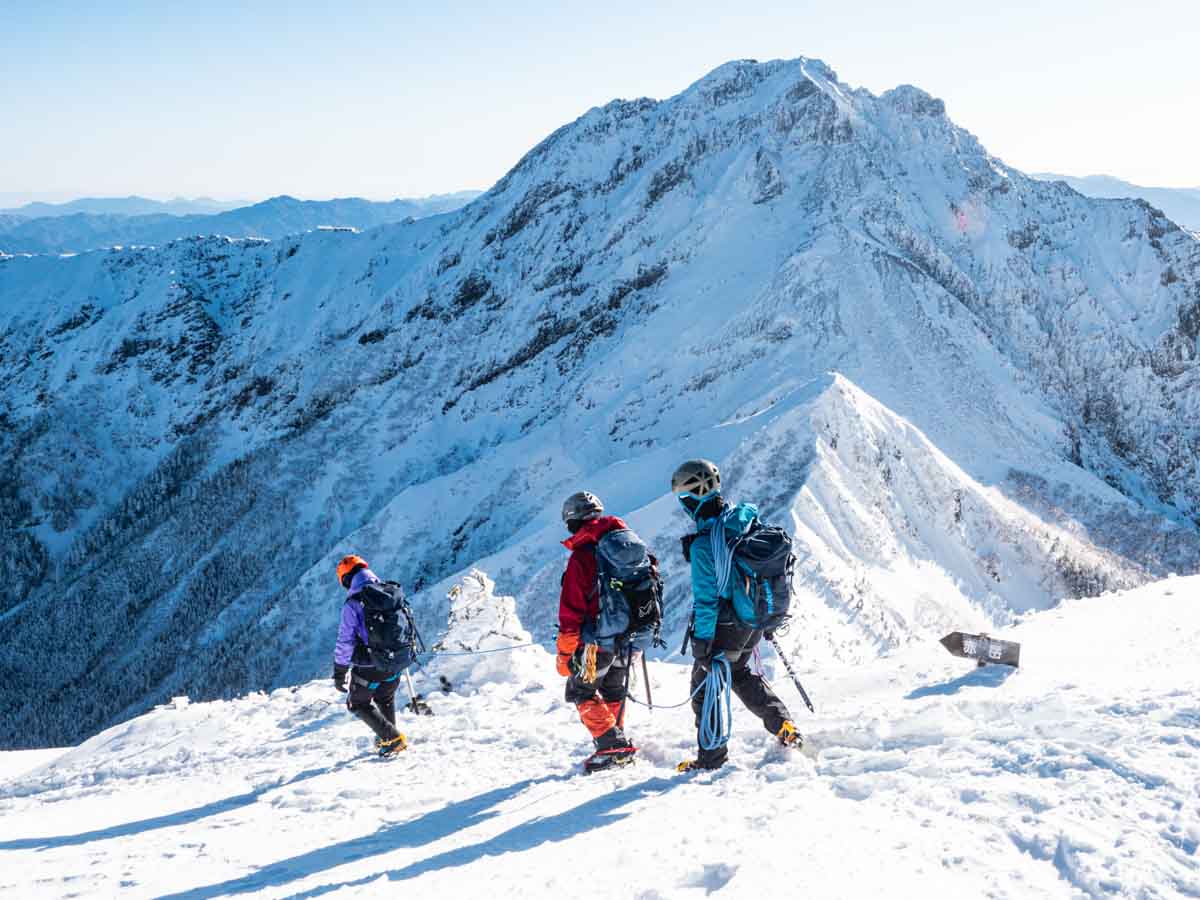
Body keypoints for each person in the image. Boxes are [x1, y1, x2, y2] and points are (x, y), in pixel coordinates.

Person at [671, 459, 801, 771]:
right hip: (752, 619)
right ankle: (784, 725)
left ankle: (711, 759)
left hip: (726, 624)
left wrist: (702, 640)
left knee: (705, 688)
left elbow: (706, 600)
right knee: (741, 674)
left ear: (689, 498)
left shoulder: (705, 544)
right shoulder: (742, 519)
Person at [555, 491, 638, 771]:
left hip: (596, 642)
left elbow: (571, 613)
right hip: (627, 636)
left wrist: (565, 654)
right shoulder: (624, 546)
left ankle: (611, 745)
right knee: (613, 688)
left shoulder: (583, 556)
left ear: (571, 521)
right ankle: (617, 741)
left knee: (581, 690)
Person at [332, 554, 408, 756]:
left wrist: (339, 671)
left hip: (370, 666)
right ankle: (388, 740)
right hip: (396, 661)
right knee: (385, 697)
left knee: (356, 703)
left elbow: (345, 641)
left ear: (346, 579)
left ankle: (392, 739)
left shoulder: (353, 604)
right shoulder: (389, 593)